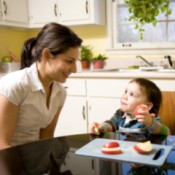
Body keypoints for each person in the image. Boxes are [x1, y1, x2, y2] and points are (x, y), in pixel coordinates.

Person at [0, 22, 83, 149]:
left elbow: (46, 136)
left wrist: (46, 167)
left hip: (33, 160)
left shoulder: (60, 93)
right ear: (46, 55)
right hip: (9, 161)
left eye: (75, 62)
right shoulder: (15, 85)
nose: (74, 69)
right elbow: (2, 144)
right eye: (69, 61)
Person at [90, 78, 170, 136]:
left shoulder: (150, 119)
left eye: (132, 94)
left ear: (147, 106)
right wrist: (101, 128)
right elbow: (111, 126)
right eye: (126, 92)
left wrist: (150, 123)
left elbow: (167, 133)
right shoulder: (120, 114)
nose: (125, 96)